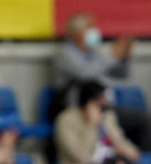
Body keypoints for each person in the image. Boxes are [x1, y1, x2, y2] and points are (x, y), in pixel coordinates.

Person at [52, 13, 150, 151]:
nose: (95, 32)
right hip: (77, 108)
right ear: (77, 33)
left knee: (141, 119)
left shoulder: (93, 52)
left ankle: (142, 163)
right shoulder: (65, 54)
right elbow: (85, 73)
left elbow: (121, 75)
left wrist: (124, 57)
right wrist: (113, 55)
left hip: (104, 106)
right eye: (90, 29)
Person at [54, 80, 140, 164]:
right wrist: (91, 125)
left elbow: (128, 148)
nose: (104, 105)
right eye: (100, 101)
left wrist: (124, 150)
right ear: (89, 101)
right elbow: (80, 156)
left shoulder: (107, 117)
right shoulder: (66, 120)